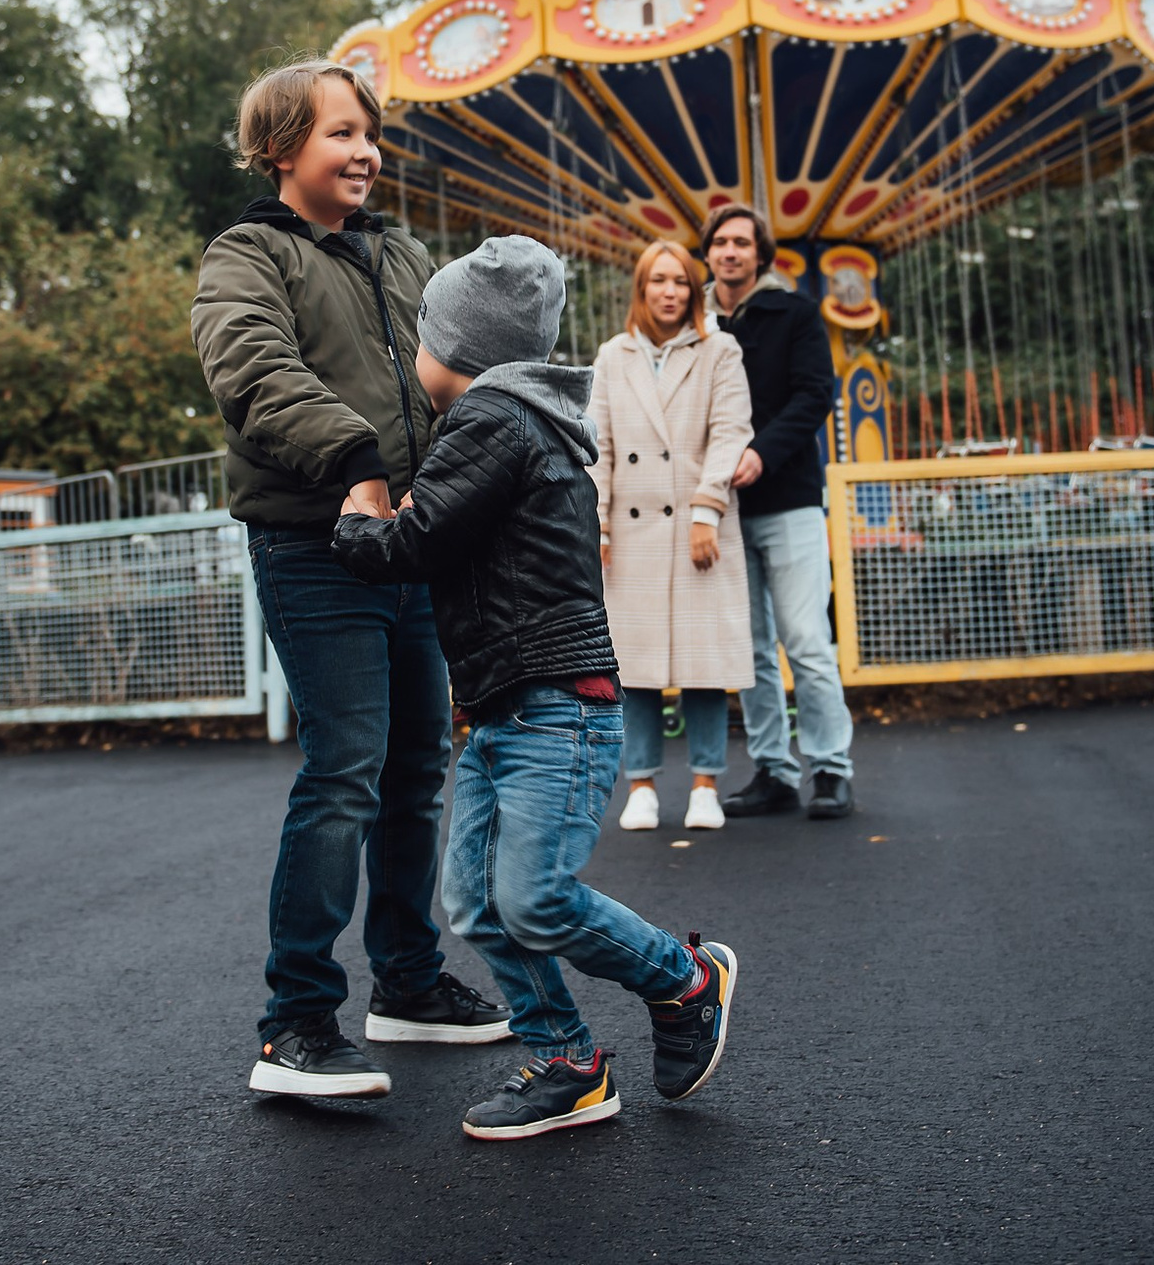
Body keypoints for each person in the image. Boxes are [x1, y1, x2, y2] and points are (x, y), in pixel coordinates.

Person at [333, 236, 740, 1141]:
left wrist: (357, 520)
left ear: (461, 345)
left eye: (424, 335)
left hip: (555, 705)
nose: (418, 351)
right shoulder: (519, 422)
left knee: (533, 896)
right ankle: (569, 1061)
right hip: (503, 708)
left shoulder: (490, 419)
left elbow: (414, 543)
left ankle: (685, 979)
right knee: (479, 902)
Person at [191, 59, 510, 1102]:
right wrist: (357, 461)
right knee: (346, 769)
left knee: (417, 767)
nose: (365, 150)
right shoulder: (248, 255)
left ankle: (408, 982)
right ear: (280, 147)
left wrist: (473, 477)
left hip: (412, 544)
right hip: (316, 544)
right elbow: (253, 370)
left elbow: (457, 373)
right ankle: (294, 1021)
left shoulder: (403, 254)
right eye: (340, 132)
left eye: (369, 132)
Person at [588, 239, 755, 832]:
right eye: (658, 280)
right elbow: (599, 445)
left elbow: (731, 430)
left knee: (703, 662)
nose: (669, 292)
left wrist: (707, 510)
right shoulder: (613, 356)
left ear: (693, 290)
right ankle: (641, 785)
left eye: (680, 281)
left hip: (697, 523)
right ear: (642, 288)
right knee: (633, 666)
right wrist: (597, 521)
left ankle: (706, 783)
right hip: (632, 529)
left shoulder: (720, 349)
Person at [702, 206, 858, 820]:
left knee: (806, 639)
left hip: (788, 497)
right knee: (750, 648)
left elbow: (815, 394)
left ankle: (831, 767)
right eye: (721, 242)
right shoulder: (695, 323)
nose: (730, 251)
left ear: (760, 254)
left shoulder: (794, 312)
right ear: (708, 253)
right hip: (724, 506)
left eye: (742, 242)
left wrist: (762, 452)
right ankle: (773, 768)